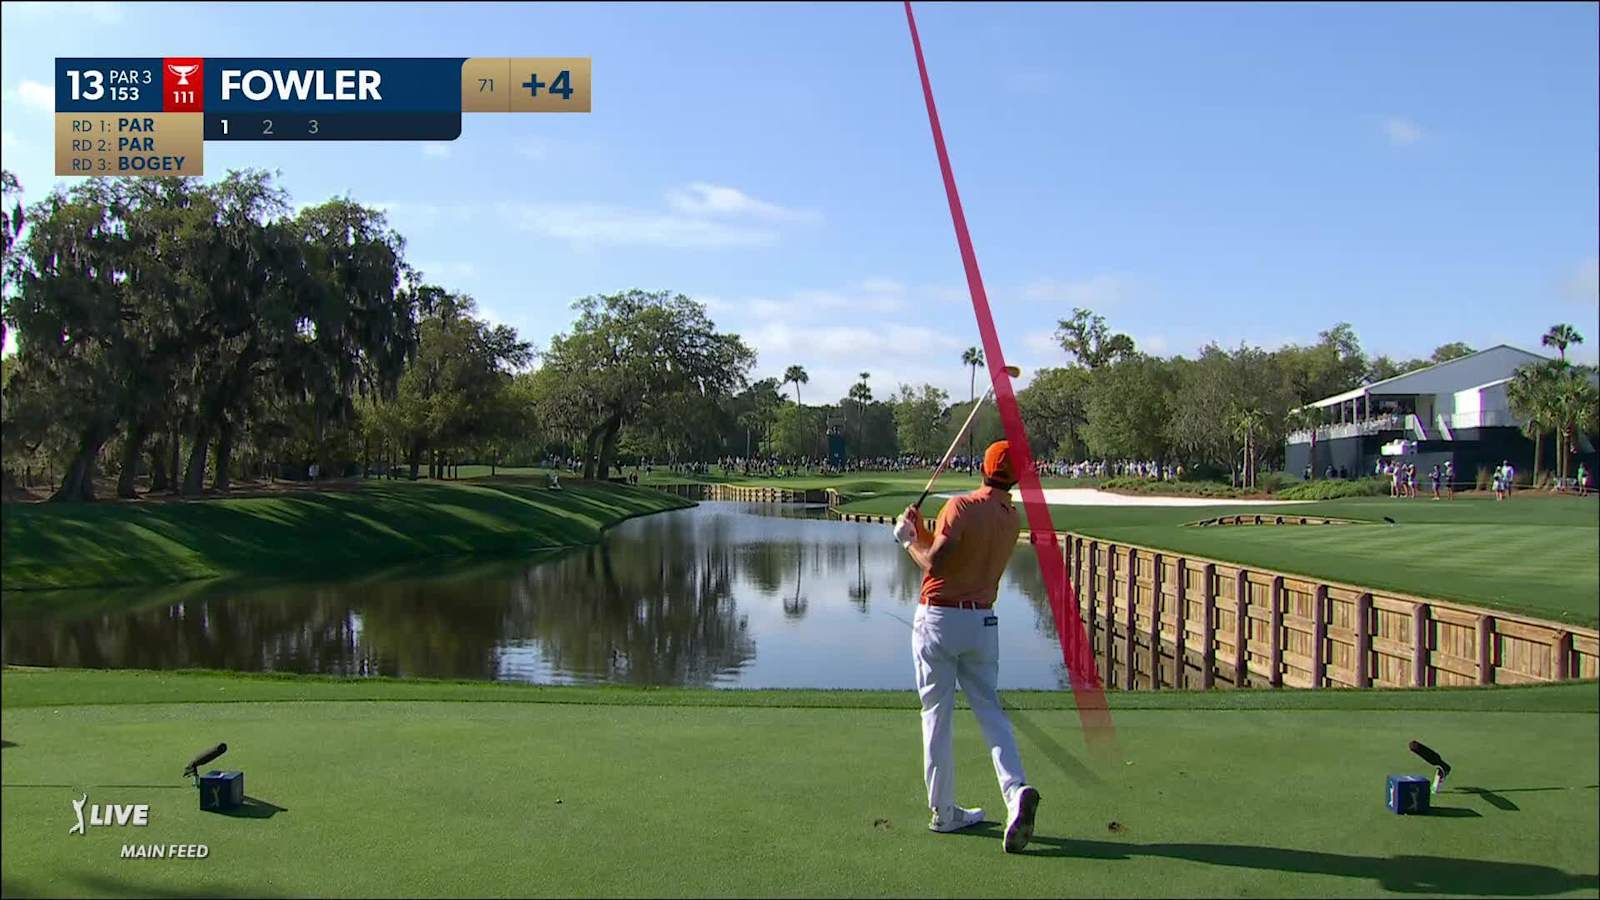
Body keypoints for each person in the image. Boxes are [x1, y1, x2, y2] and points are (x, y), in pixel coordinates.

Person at [894, 440, 1040, 853]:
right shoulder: (1010, 520)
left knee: (936, 714)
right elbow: (952, 553)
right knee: (991, 713)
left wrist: (907, 540)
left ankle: (944, 811)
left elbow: (935, 564)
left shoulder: (959, 507)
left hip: (939, 619)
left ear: (982, 467)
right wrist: (921, 531)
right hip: (982, 622)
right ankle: (1016, 792)